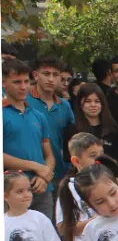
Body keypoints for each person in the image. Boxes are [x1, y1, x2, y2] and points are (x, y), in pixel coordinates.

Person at [2, 60, 56, 217]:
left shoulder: (38, 116)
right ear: (3, 82)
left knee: (46, 238)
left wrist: (45, 176)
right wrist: (35, 167)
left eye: (26, 81)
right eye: (17, 82)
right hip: (11, 192)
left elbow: (49, 155)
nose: (24, 87)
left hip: (42, 189)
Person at [27, 56, 75, 189]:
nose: (51, 79)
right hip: (28, 175)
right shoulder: (23, 100)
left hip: (59, 173)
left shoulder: (65, 106)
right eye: (46, 74)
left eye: (55, 75)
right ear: (36, 75)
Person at [67, 83, 118, 163]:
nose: (93, 105)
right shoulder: (73, 130)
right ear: (80, 104)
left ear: (102, 104)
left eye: (97, 101)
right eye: (88, 101)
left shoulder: (113, 130)